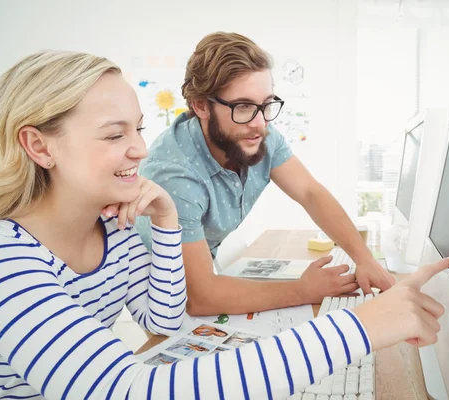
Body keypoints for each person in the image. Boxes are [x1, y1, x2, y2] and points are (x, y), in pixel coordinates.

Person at [0, 50, 449, 399]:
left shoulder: (113, 229)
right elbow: (124, 390)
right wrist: (362, 327)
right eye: (114, 134)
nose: (141, 150)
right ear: (39, 148)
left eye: (138, 128)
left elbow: (164, 321)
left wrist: (165, 220)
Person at [134, 32, 395, 316]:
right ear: (200, 105)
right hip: (158, 297)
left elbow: (310, 193)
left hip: (202, 274)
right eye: (243, 106)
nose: (260, 123)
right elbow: (201, 298)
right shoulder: (174, 176)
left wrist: (364, 258)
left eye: (266, 104)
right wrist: (303, 290)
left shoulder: (256, 132)